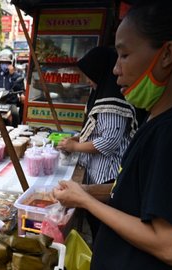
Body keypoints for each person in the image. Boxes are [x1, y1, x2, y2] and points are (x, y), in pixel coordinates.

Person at [53, 0, 172, 269]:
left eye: (124, 55)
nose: (116, 68)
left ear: (167, 55)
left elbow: (171, 244)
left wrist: (86, 201)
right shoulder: (159, 118)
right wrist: (84, 191)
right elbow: (138, 191)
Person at [57, 46, 137, 240]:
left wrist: (75, 147)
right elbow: (95, 131)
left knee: (102, 228)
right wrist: (77, 138)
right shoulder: (100, 94)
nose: (87, 80)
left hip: (107, 178)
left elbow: (109, 142)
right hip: (96, 174)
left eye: (90, 75)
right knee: (95, 226)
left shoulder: (112, 103)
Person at [0, 49, 25, 126]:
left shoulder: (16, 76)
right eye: (2, 63)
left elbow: (21, 89)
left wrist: (12, 75)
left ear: (12, 63)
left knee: (15, 116)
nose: (4, 65)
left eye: (7, 63)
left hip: (11, 103)